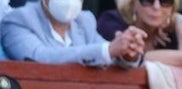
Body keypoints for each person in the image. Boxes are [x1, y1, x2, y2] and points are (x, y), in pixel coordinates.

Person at [97, 0, 182, 84]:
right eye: (148, 0)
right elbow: (137, 58)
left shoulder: (170, 31)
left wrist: (179, 22)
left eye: (166, 1)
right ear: (133, 3)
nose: (157, 7)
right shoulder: (112, 21)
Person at [0, 0, 146, 65]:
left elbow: (107, 53)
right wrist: (108, 49)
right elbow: (40, 57)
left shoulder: (84, 21)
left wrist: (127, 52)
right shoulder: (19, 20)